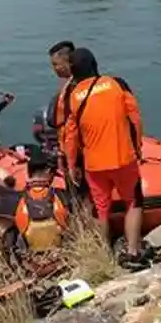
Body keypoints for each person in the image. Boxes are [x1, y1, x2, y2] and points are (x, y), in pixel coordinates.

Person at [59, 47, 148, 271]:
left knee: (101, 209)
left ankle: (102, 254)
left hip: (94, 164)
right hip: (123, 158)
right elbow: (134, 118)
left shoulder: (72, 95)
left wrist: (72, 165)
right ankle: (133, 252)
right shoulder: (117, 84)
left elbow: (71, 135)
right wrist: (137, 147)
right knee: (133, 202)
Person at [32, 41, 74, 157]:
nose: (54, 69)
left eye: (56, 64)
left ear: (68, 62)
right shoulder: (68, 83)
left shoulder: (74, 86)